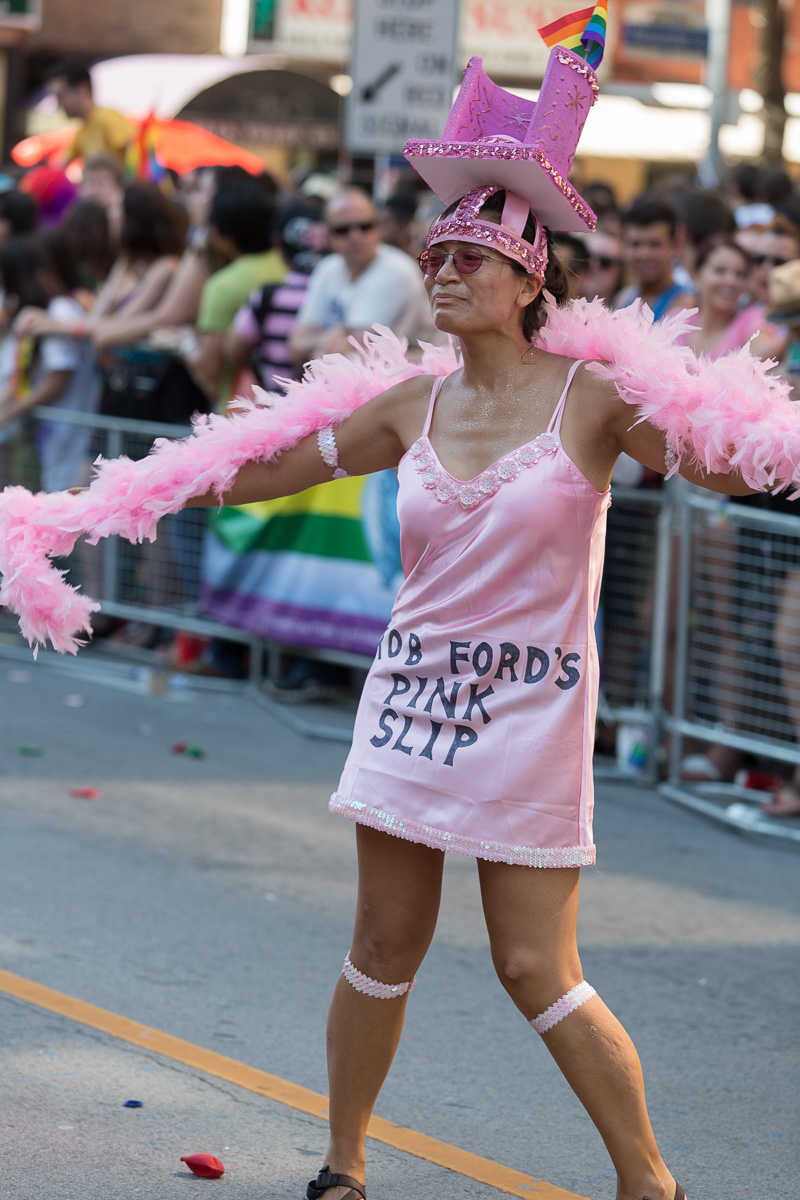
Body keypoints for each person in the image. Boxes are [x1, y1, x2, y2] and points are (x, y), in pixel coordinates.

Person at [179, 47, 723, 1200]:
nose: (444, 271)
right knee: (382, 948)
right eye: (438, 256)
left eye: (471, 257)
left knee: (535, 966)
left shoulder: (592, 401)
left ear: (530, 281)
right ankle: (343, 1165)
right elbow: (264, 469)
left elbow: (713, 464)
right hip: (412, 700)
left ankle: (647, 1182)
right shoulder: (407, 405)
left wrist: (761, 442)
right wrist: (154, 484)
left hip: (528, 711)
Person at [289, 187, 432, 364]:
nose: (355, 236)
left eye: (365, 227)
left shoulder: (395, 271)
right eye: (343, 230)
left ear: (378, 227)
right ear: (328, 235)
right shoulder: (328, 267)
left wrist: (319, 341)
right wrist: (328, 340)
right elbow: (296, 345)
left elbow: (345, 355)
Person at [187, 179, 285, 406]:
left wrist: (187, 347)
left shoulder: (223, 286)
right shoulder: (289, 269)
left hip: (240, 416)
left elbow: (209, 367)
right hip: (290, 412)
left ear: (223, 232)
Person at [614, 196, 695, 319]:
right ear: (625, 246)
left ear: (675, 246)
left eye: (655, 244)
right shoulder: (624, 298)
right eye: (635, 244)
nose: (644, 254)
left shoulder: (684, 304)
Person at [48, 61, 132, 169]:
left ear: (82, 88)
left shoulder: (107, 118)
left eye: (61, 96)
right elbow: (59, 166)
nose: (58, 104)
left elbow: (138, 154)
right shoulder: (83, 130)